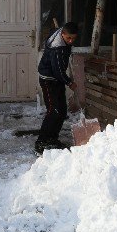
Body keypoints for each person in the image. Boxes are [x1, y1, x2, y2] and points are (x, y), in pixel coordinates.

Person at [35, 22, 78, 154]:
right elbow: (58, 71)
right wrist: (69, 82)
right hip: (49, 80)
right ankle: (41, 142)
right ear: (62, 34)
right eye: (68, 38)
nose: (71, 41)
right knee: (54, 111)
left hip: (56, 79)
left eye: (73, 38)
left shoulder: (61, 34)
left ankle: (52, 139)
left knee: (62, 111)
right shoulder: (57, 49)